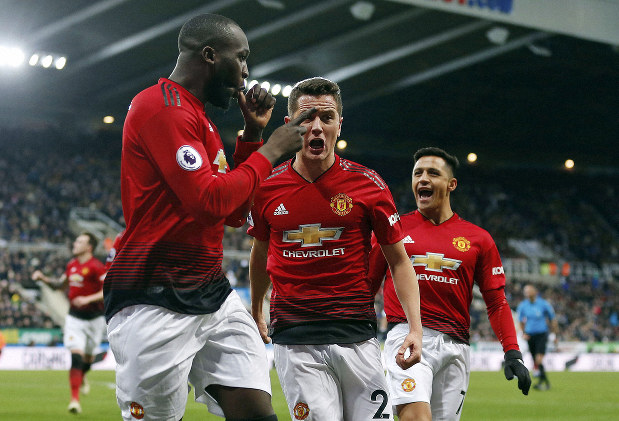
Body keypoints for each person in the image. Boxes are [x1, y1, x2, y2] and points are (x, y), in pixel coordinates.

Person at [103, 13, 314, 421]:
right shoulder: (162, 107)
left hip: (211, 292)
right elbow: (207, 201)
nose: (247, 71)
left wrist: (252, 137)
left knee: (257, 414)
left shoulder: (200, 120)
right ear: (210, 55)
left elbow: (233, 213)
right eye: (242, 57)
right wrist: (271, 151)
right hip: (155, 296)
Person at [247, 77, 422, 421]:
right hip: (296, 339)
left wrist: (415, 328)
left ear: (339, 124)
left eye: (326, 118)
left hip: (356, 335)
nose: (316, 127)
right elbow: (260, 252)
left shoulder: (368, 184)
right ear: (290, 125)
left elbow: (399, 262)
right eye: (306, 118)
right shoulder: (267, 187)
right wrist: (256, 308)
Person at [368, 147, 531, 421]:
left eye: (433, 173)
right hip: (407, 336)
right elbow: (368, 285)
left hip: (457, 346)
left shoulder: (479, 239)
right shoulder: (394, 229)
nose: (423, 179)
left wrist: (512, 351)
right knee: (416, 418)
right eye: (417, 173)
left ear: (451, 184)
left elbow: (496, 302)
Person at [31, 232, 106, 415]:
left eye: (80, 242)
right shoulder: (71, 265)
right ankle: (74, 400)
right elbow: (60, 286)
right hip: (74, 318)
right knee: (76, 357)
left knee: (87, 360)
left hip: (95, 319)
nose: (75, 243)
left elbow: (107, 290)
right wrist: (43, 278)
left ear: (89, 247)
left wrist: (87, 299)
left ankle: (83, 375)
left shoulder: (96, 267)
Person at [517, 284, 558, 391]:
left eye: (529, 291)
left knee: (538, 359)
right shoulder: (523, 305)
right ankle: (542, 381)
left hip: (541, 334)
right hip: (530, 336)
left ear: (535, 292)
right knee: (535, 360)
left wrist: (554, 334)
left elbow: (552, 319)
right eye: (525, 291)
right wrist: (523, 332)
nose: (527, 293)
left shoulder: (543, 304)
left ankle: (545, 382)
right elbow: (520, 321)